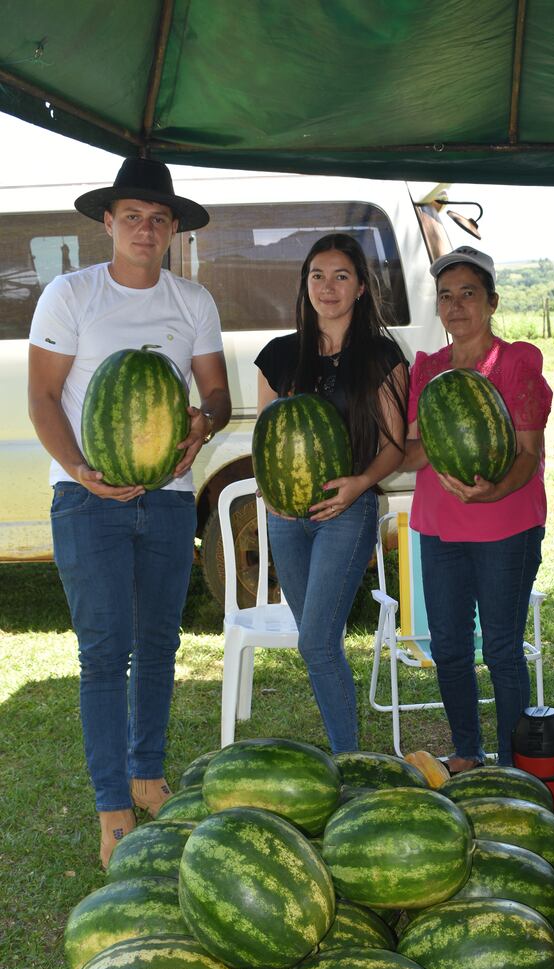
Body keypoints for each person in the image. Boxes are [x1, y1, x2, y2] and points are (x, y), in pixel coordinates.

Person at [28, 158, 231, 867]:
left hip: (169, 500)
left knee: (160, 645)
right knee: (103, 652)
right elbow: (45, 399)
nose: (146, 229)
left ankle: (148, 777)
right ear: (108, 222)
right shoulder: (71, 294)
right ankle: (113, 805)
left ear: (173, 228)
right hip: (87, 500)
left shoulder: (192, 301)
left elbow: (216, 394)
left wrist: (200, 427)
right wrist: (83, 471)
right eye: (133, 216)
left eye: (159, 218)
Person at [256, 233, 408, 753]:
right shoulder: (277, 356)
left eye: (341, 276)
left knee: (316, 642)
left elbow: (393, 446)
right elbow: (267, 438)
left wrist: (360, 485)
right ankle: (348, 753)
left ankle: (348, 761)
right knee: (318, 644)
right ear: (305, 284)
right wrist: (269, 491)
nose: (328, 286)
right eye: (317, 275)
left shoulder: (383, 357)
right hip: (285, 518)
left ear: (361, 288)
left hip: (347, 512)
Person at [404, 245, 552, 773]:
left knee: (503, 649)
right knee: (447, 646)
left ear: (491, 302)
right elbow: (415, 448)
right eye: (446, 296)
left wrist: (490, 491)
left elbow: (529, 453)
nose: (456, 306)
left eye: (468, 293)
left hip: (506, 525)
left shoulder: (515, 363)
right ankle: (467, 751)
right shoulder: (428, 369)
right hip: (439, 528)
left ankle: (516, 766)